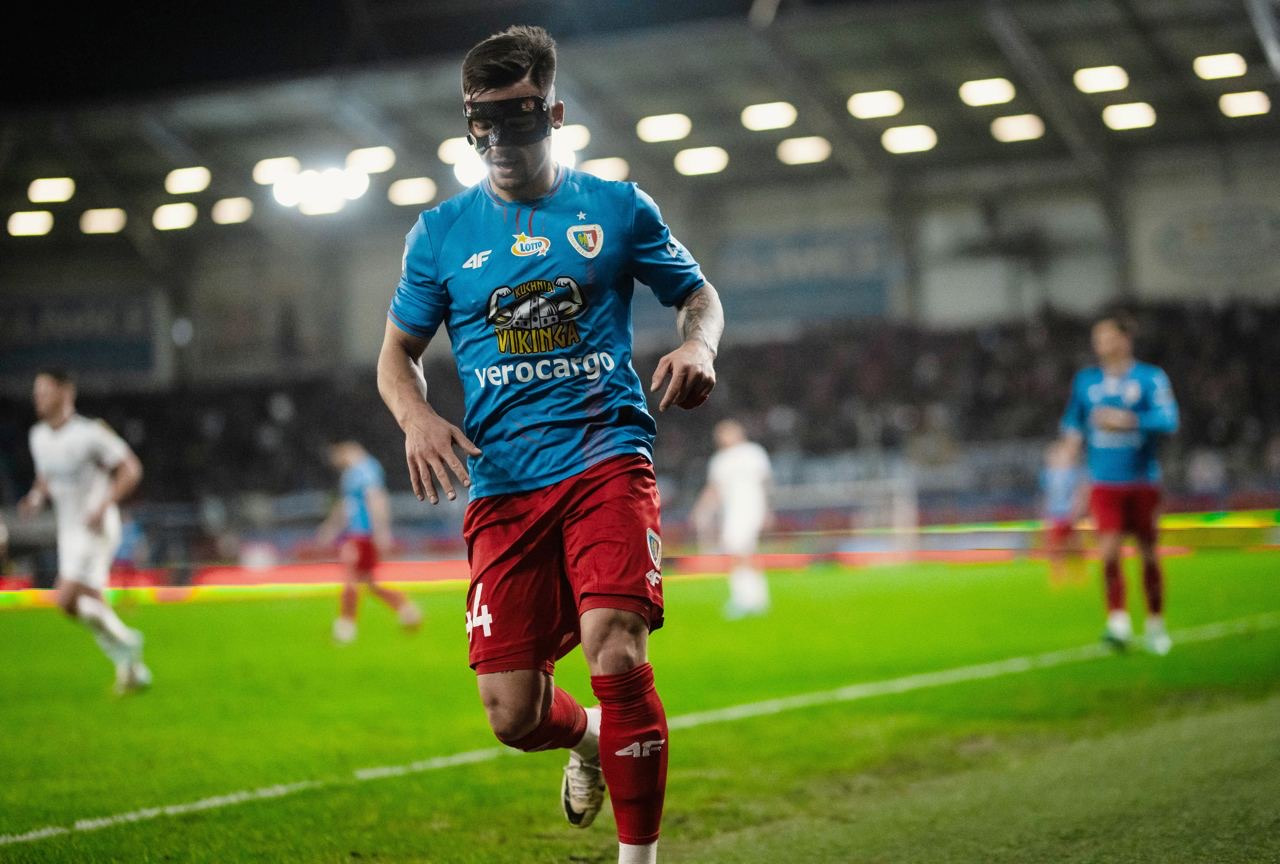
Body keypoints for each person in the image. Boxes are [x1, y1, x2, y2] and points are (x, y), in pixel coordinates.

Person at [376, 25, 723, 864]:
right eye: (484, 121)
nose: (501, 138)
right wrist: (417, 417)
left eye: (521, 116)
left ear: (555, 114)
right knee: (513, 715)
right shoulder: (439, 233)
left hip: (605, 457)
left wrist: (699, 344)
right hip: (503, 483)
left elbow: (698, 294)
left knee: (617, 647)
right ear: (469, 125)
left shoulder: (618, 207)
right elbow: (396, 355)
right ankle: (589, 739)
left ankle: (637, 858)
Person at [18, 369, 151, 693]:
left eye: (44, 391)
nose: (38, 398)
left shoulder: (90, 433)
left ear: (65, 392)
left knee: (65, 598)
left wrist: (105, 503)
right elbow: (45, 477)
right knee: (90, 602)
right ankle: (130, 666)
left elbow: (131, 468)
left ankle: (128, 644)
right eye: (36, 392)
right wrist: (35, 498)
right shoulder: (38, 436)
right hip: (68, 531)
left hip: (95, 526)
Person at [1060, 313, 1179, 654]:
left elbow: (1169, 419)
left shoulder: (1150, 378)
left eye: (1109, 337)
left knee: (1149, 554)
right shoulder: (1086, 382)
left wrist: (1129, 421)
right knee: (1109, 552)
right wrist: (1069, 452)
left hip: (1142, 480)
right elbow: (1073, 424)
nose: (1102, 345)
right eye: (1098, 339)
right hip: (1104, 482)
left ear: (1125, 340)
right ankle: (1118, 623)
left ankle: (1155, 624)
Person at [316, 440, 422, 643]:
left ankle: (346, 627)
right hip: (357, 534)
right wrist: (331, 528)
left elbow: (376, 499)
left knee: (351, 578)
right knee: (369, 582)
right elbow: (347, 505)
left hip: (363, 534)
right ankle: (407, 610)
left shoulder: (366, 470)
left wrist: (381, 531)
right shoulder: (353, 473)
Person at [691, 419, 773, 619]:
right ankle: (751, 597)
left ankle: (749, 598)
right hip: (732, 512)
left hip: (752, 508)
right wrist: (702, 510)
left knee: (740, 549)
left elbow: (766, 483)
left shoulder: (753, 453)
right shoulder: (720, 460)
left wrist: (768, 510)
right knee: (739, 552)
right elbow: (714, 489)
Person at [1039, 438, 1088, 586]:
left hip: (1070, 514)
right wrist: (1045, 513)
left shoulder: (1075, 474)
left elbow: (1080, 493)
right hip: (1055, 515)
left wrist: (1078, 510)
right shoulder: (1047, 475)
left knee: (1074, 545)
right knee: (1055, 545)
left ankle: (1079, 572)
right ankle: (1057, 574)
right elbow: (1046, 495)